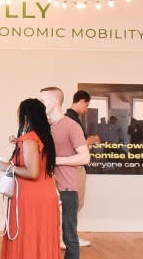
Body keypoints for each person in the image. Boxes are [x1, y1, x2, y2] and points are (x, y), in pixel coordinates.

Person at [0, 98, 59, 259]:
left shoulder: (29, 139)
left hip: (30, 198)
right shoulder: (44, 137)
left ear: (26, 117)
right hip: (45, 195)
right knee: (41, 239)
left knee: (26, 236)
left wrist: (8, 167)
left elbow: (32, 173)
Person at [39, 87, 90, 259]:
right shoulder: (48, 127)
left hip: (67, 190)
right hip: (48, 189)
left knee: (69, 237)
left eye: (43, 101)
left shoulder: (71, 126)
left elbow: (85, 157)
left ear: (54, 103)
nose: (40, 104)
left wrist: (56, 160)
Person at [64, 90, 99, 248]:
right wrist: (92, 140)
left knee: (73, 203)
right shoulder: (72, 120)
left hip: (72, 167)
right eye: (87, 105)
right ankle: (68, 237)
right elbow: (78, 143)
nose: (86, 109)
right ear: (82, 101)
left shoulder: (69, 119)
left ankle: (68, 236)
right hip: (76, 167)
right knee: (76, 202)